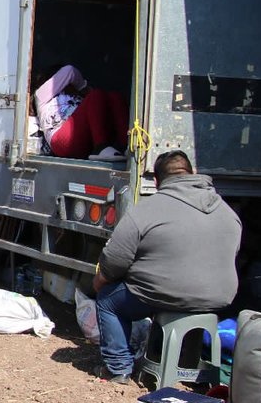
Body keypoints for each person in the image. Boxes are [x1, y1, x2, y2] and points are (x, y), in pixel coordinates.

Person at [91, 150, 241, 384]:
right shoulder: (227, 211)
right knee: (188, 300)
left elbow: (115, 261)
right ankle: (187, 362)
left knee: (109, 300)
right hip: (218, 297)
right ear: (193, 173)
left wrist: (101, 280)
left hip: (162, 294)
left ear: (158, 182)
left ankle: (118, 369)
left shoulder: (147, 210)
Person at [33, 64, 129, 160]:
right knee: (95, 95)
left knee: (114, 97)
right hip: (62, 141)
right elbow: (69, 71)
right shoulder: (41, 96)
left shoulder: (77, 96)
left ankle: (127, 146)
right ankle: (101, 147)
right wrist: (83, 87)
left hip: (87, 141)